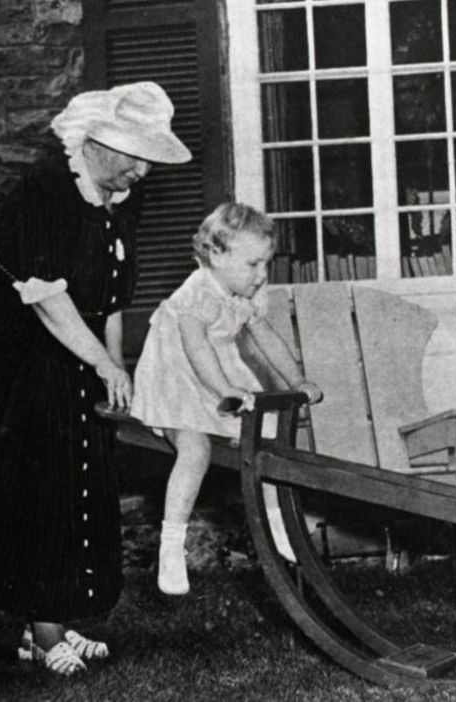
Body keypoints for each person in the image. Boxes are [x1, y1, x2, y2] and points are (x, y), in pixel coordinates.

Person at [0, 82, 192, 675]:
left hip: (68, 344)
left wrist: (115, 369)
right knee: (40, 482)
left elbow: (107, 300)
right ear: (93, 141)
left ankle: (51, 619)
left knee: (81, 470)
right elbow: (47, 297)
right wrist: (102, 364)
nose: (140, 170)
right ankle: (43, 629)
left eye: (148, 159)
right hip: (5, 354)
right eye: (132, 155)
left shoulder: (119, 201)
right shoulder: (46, 192)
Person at [130, 202, 322, 596]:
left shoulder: (240, 294)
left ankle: (277, 522)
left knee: (266, 443)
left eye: (266, 263)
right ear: (216, 255)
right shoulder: (198, 292)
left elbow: (267, 338)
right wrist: (224, 390)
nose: (262, 274)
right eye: (253, 264)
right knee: (195, 449)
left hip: (215, 377)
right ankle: (172, 544)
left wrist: (298, 378)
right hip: (177, 382)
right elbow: (196, 347)